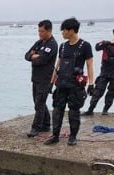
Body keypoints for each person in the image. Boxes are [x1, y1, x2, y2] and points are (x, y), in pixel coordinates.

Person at [44, 18, 94, 146]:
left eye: (64, 30)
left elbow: (89, 65)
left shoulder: (85, 46)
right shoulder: (63, 46)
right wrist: (51, 82)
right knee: (57, 110)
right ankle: (55, 136)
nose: (62, 33)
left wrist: (91, 84)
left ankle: (73, 136)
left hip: (75, 85)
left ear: (71, 31)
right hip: (61, 84)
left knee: (74, 112)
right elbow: (57, 65)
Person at [25, 20, 58, 137]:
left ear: (49, 31)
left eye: (42, 31)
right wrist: (34, 55)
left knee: (39, 103)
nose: (39, 33)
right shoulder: (39, 43)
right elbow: (26, 55)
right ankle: (46, 123)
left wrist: (35, 56)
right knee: (38, 102)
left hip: (46, 78)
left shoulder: (52, 44)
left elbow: (42, 60)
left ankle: (36, 128)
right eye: (39, 31)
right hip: (35, 78)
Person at [82, 29, 114, 116]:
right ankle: (90, 110)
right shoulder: (106, 44)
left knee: (111, 93)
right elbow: (96, 47)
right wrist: (105, 43)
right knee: (98, 91)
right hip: (104, 73)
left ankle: (105, 110)